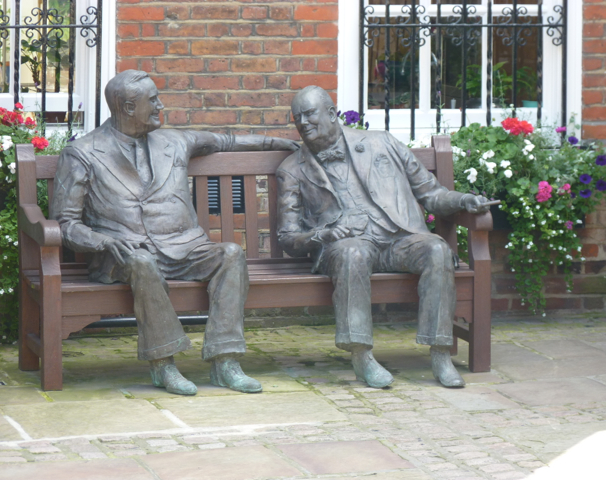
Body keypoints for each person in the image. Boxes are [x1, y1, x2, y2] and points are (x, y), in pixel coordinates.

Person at [52, 70, 299, 395]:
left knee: (231, 254)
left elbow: (227, 141)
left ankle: (226, 362)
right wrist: (106, 242)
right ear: (128, 107)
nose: (160, 105)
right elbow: (64, 224)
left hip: (183, 248)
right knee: (142, 262)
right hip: (121, 256)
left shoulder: (174, 141)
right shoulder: (83, 153)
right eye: (152, 100)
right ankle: (163, 365)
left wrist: (282, 144)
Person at [276, 86, 489, 389]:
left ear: (332, 113)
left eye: (310, 114)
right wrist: (321, 235)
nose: (303, 122)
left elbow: (431, 193)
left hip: (399, 238)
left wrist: (463, 200)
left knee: (437, 250)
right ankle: (362, 356)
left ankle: (440, 354)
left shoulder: (381, 142)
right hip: (348, 245)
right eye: (298, 118)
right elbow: (287, 237)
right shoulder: (292, 169)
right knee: (353, 253)